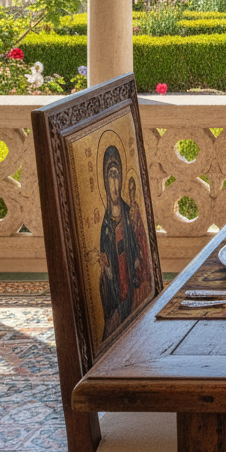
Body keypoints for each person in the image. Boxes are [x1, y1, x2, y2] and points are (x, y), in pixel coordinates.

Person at [97, 145, 143, 341]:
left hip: (128, 270)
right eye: (110, 176)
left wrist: (137, 259)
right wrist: (105, 264)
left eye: (116, 175)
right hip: (114, 272)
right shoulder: (105, 220)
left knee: (130, 307)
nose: (114, 182)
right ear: (105, 182)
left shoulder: (127, 211)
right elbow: (102, 250)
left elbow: (136, 241)